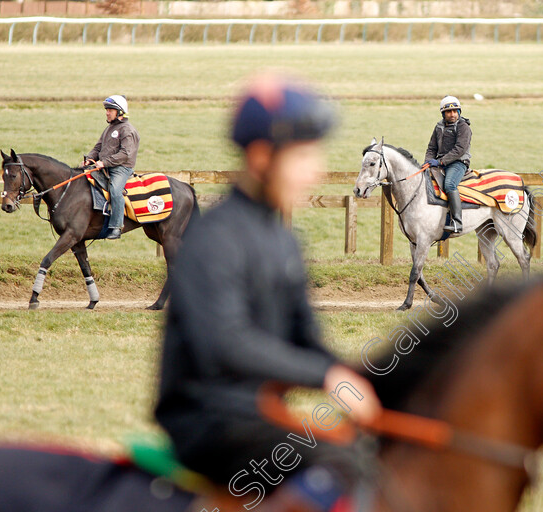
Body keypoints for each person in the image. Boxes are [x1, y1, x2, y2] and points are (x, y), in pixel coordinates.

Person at [154, 73, 381, 512]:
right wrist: (326, 378)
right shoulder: (214, 238)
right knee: (340, 463)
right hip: (207, 423)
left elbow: (306, 338)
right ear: (260, 157)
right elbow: (226, 342)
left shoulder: (283, 240)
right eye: (303, 156)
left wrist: (357, 379)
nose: (316, 170)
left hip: (259, 416)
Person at [84, 95, 140, 240]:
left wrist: (104, 162)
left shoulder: (127, 130)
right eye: (107, 110)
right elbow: (98, 147)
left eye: (110, 110)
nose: (107, 113)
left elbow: (125, 154)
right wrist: (91, 158)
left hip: (121, 168)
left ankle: (116, 226)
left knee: (115, 191)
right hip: (106, 166)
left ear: (120, 112)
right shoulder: (109, 128)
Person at [424, 95, 472, 233]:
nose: (452, 114)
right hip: (439, 163)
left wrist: (440, 161)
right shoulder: (438, 126)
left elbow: (459, 149)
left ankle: (457, 221)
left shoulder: (463, 127)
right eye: (448, 112)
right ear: (443, 113)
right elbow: (432, 147)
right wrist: (427, 162)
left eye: (455, 111)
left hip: (458, 163)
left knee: (450, 184)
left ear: (459, 112)